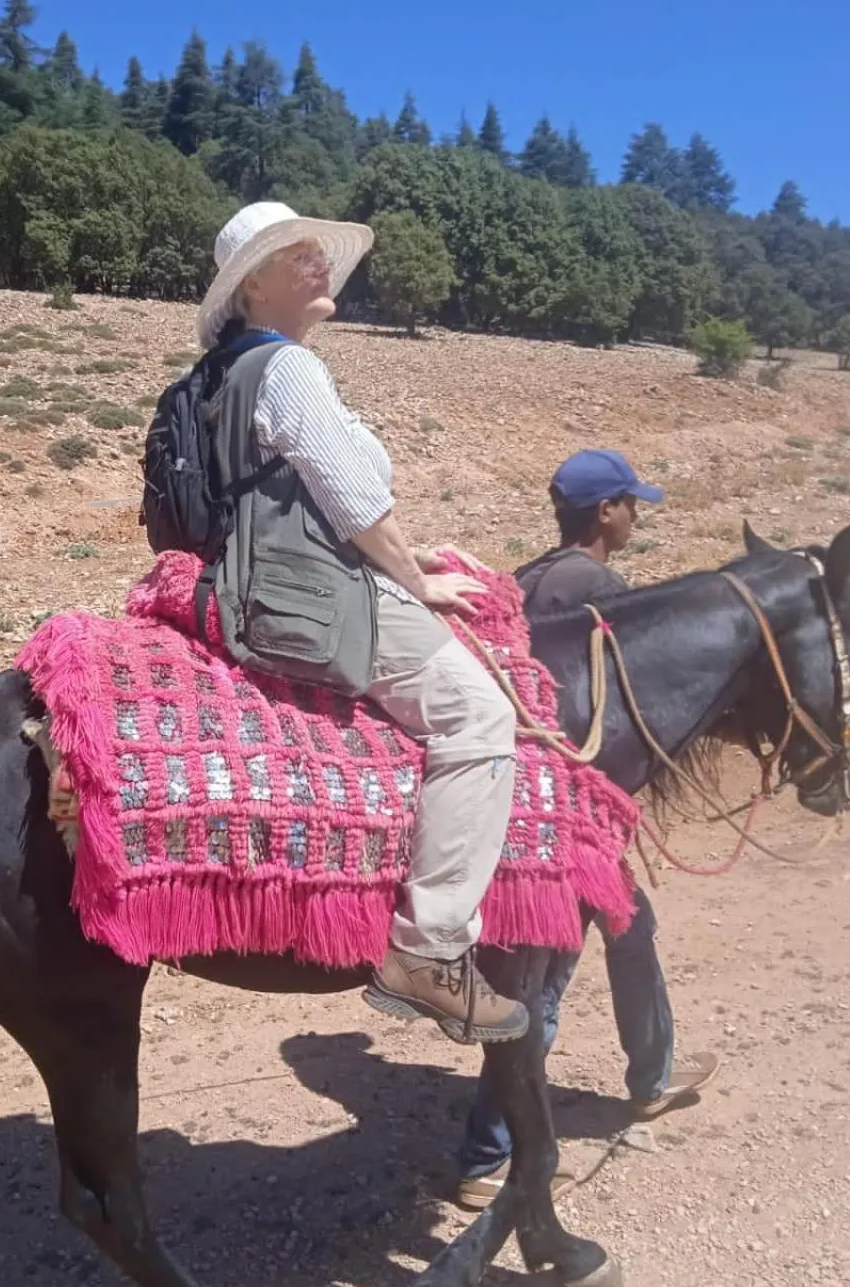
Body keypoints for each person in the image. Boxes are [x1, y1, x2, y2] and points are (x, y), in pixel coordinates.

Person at [197, 200, 526, 1045]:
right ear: (255, 285)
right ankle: (431, 948)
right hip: (316, 596)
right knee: (480, 714)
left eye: (319, 253)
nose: (320, 265)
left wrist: (414, 556)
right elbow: (353, 501)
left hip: (247, 585)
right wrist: (419, 581)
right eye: (297, 256)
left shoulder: (216, 375)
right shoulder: (288, 369)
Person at [455, 449, 718, 1208]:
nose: (637, 516)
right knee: (542, 980)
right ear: (605, 512)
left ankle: (652, 1076)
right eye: (632, 504)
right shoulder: (599, 592)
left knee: (631, 928)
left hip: (540, 804)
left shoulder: (534, 576)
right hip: (567, 819)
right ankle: (486, 1157)